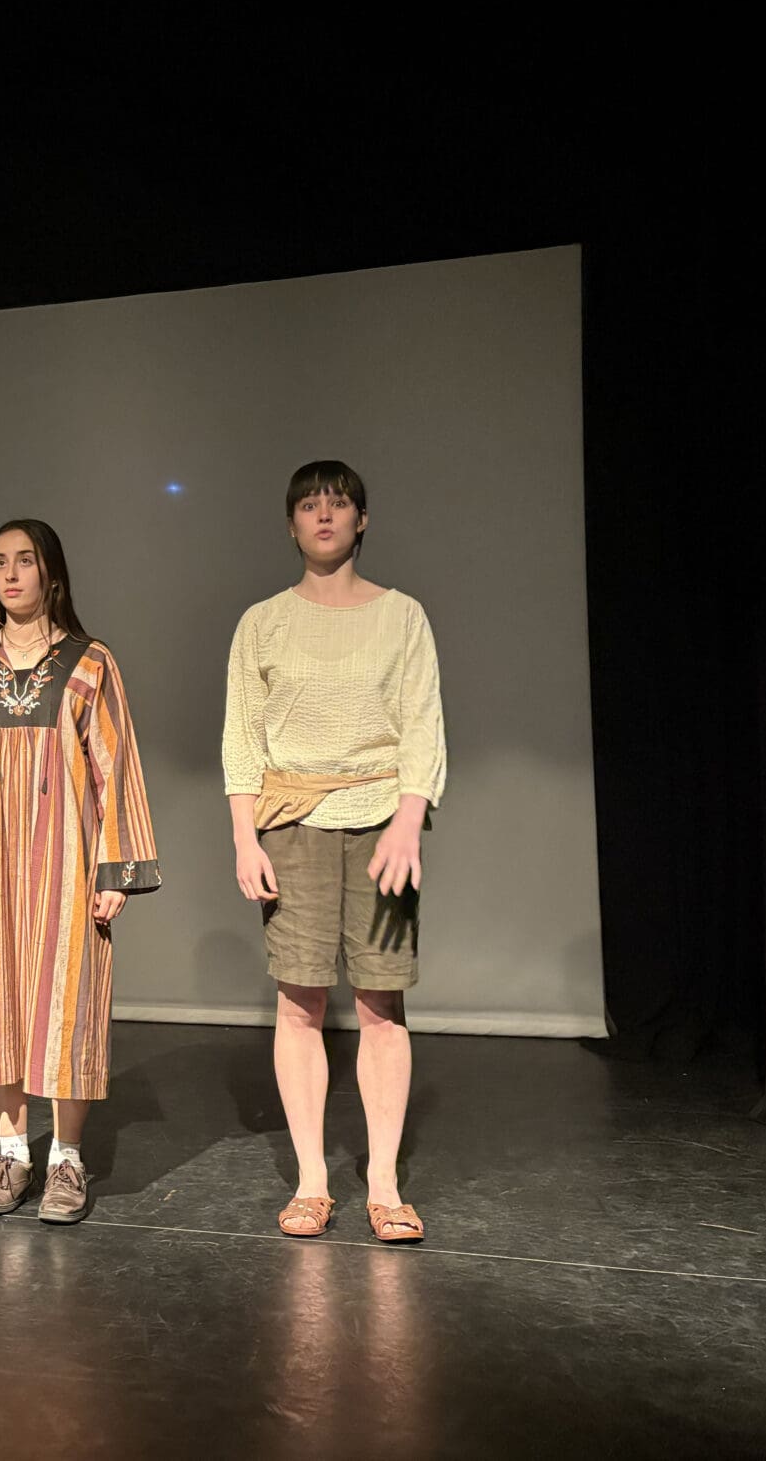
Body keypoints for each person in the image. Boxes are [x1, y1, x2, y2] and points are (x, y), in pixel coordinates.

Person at [0, 519, 161, 1226]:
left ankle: (67, 1159)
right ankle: (12, 1154)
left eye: (25, 561)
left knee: (67, 1002)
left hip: (67, 861)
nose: (11, 574)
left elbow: (115, 767)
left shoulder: (90, 663)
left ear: (51, 572)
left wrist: (115, 870)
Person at [223, 461, 447, 1243]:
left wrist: (410, 818)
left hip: (383, 821)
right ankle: (312, 1182)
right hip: (292, 822)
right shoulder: (263, 623)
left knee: (382, 1002)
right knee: (300, 1002)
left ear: (361, 520)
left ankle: (384, 1184)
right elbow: (243, 739)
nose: (324, 516)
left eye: (339, 503)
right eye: (310, 505)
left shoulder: (402, 615)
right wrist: (245, 838)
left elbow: (422, 724)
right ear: (291, 524)